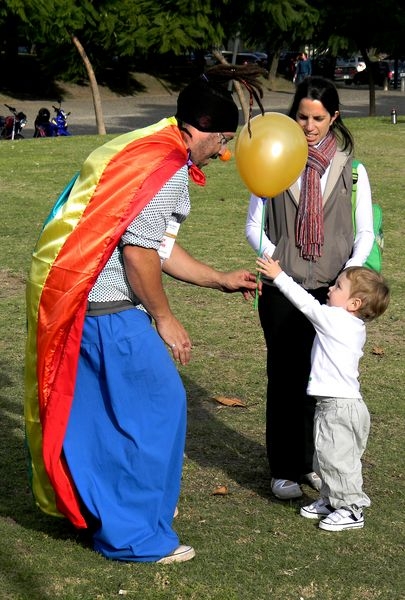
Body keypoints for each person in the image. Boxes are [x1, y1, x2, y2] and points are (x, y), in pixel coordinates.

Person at [24, 64, 266, 564]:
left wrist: (218, 277)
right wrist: (164, 318)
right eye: (222, 141)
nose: (222, 154)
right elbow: (139, 255)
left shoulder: (145, 148)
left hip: (79, 304)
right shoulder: (169, 167)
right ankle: (135, 536)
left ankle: (102, 513)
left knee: (91, 418)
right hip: (111, 312)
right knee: (160, 409)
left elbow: (156, 248)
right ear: (203, 129)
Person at [245, 76, 375, 501]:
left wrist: (349, 277)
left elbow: (365, 232)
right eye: (302, 116)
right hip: (283, 289)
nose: (309, 125)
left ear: (333, 117)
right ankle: (284, 468)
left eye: (318, 117)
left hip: (332, 294)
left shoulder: (352, 170)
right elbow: (253, 225)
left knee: (325, 383)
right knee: (284, 377)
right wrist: (275, 260)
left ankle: (315, 463)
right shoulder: (272, 159)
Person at [256, 258, 390, 530]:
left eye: (338, 286)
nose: (330, 288)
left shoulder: (336, 320)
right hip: (335, 405)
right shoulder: (352, 325)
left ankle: (352, 509)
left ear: (354, 304)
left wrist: (279, 275)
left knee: (338, 460)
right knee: (326, 456)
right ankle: (331, 499)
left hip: (340, 407)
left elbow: (305, 303)